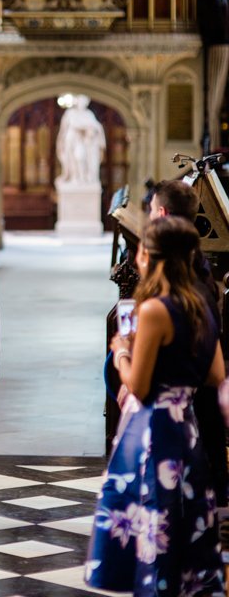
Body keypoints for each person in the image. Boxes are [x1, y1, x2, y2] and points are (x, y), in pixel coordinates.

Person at [86, 216, 225, 597]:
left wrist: (120, 354)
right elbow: (215, 374)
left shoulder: (154, 310)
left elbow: (140, 385)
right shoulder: (203, 302)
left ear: (149, 256)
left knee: (155, 521)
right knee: (185, 517)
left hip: (154, 429)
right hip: (187, 425)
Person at [149, 178, 227, 506]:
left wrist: (124, 353)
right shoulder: (200, 269)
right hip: (198, 394)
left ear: (163, 213)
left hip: (179, 405)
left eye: (152, 210)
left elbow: (139, 385)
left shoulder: (177, 291)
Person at [56, 95, 106, 185]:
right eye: (80, 100)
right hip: (71, 140)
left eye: (84, 100)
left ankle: (83, 177)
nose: (82, 102)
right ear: (77, 101)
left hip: (83, 142)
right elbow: (65, 129)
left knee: (80, 157)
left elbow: (97, 127)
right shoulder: (70, 113)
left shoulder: (88, 114)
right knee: (72, 159)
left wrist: (89, 130)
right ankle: (74, 177)